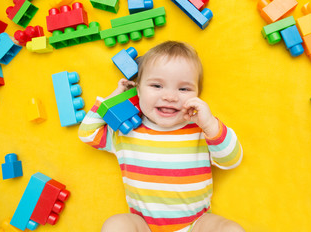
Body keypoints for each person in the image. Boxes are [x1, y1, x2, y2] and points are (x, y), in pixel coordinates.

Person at [78, 41, 244, 232]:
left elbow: (232, 159)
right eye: (157, 85)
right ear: (137, 91)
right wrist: (112, 101)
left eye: (184, 89)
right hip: (144, 226)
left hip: (195, 224)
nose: (170, 96)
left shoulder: (200, 129)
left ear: (198, 95)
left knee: (231, 230)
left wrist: (210, 125)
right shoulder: (126, 130)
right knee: (115, 226)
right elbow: (87, 134)